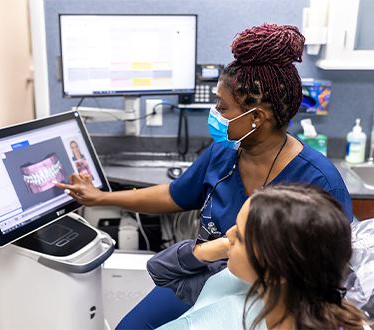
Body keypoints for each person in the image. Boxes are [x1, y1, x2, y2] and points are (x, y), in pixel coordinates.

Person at [55, 23, 353, 328]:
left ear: (256, 118)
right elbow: (175, 194)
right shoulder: (224, 153)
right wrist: (102, 197)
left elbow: (333, 272)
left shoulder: (318, 181)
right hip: (208, 277)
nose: (215, 112)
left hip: (269, 297)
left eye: (221, 107)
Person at [151, 184, 367, 330]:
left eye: (241, 237)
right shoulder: (238, 279)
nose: (228, 234)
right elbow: (160, 270)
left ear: (275, 270)